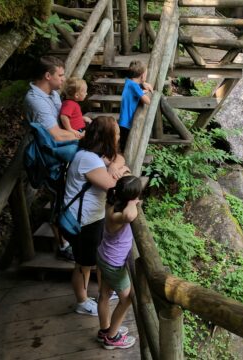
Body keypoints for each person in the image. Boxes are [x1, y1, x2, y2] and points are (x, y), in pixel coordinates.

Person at [62, 116, 129, 316]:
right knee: (83, 264)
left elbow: (119, 157)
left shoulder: (94, 154)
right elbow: (114, 187)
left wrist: (115, 166)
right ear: (107, 136)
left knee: (93, 259)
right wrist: (121, 171)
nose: (119, 136)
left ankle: (103, 291)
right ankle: (82, 301)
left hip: (92, 217)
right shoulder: (88, 159)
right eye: (116, 133)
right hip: (82, 221)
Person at [24, 56, 80, 260]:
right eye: (60, 75)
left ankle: (72, 235)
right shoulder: (35, 100)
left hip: (63, 153)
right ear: (48, 76)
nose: (64, 79)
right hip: (50, 159)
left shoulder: (52, 94)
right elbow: (54, 135)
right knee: (60, 199)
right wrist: (82, 137)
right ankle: (63, 245)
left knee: (67, 196)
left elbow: (63, 123)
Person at [96, 176, 142, 350]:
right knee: (127, 300)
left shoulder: (111, 203)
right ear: (130, 196)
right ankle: (112, 338)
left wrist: (129, 199)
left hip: (103, 255)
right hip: (113, 264)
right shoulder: (120, 216)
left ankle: (105, 330)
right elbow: (130, 215)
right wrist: (133, 202)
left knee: (104, 295)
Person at [118, 60, 154, 152]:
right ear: (142, 75)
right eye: (146, 73)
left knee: (123, 143)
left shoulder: (128, 81)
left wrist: (143, 84)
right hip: (127, 122)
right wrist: (144, 91)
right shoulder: (134, 86)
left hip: (123, 120)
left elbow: (136, 87)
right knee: (125, 147)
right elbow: (148, 101)